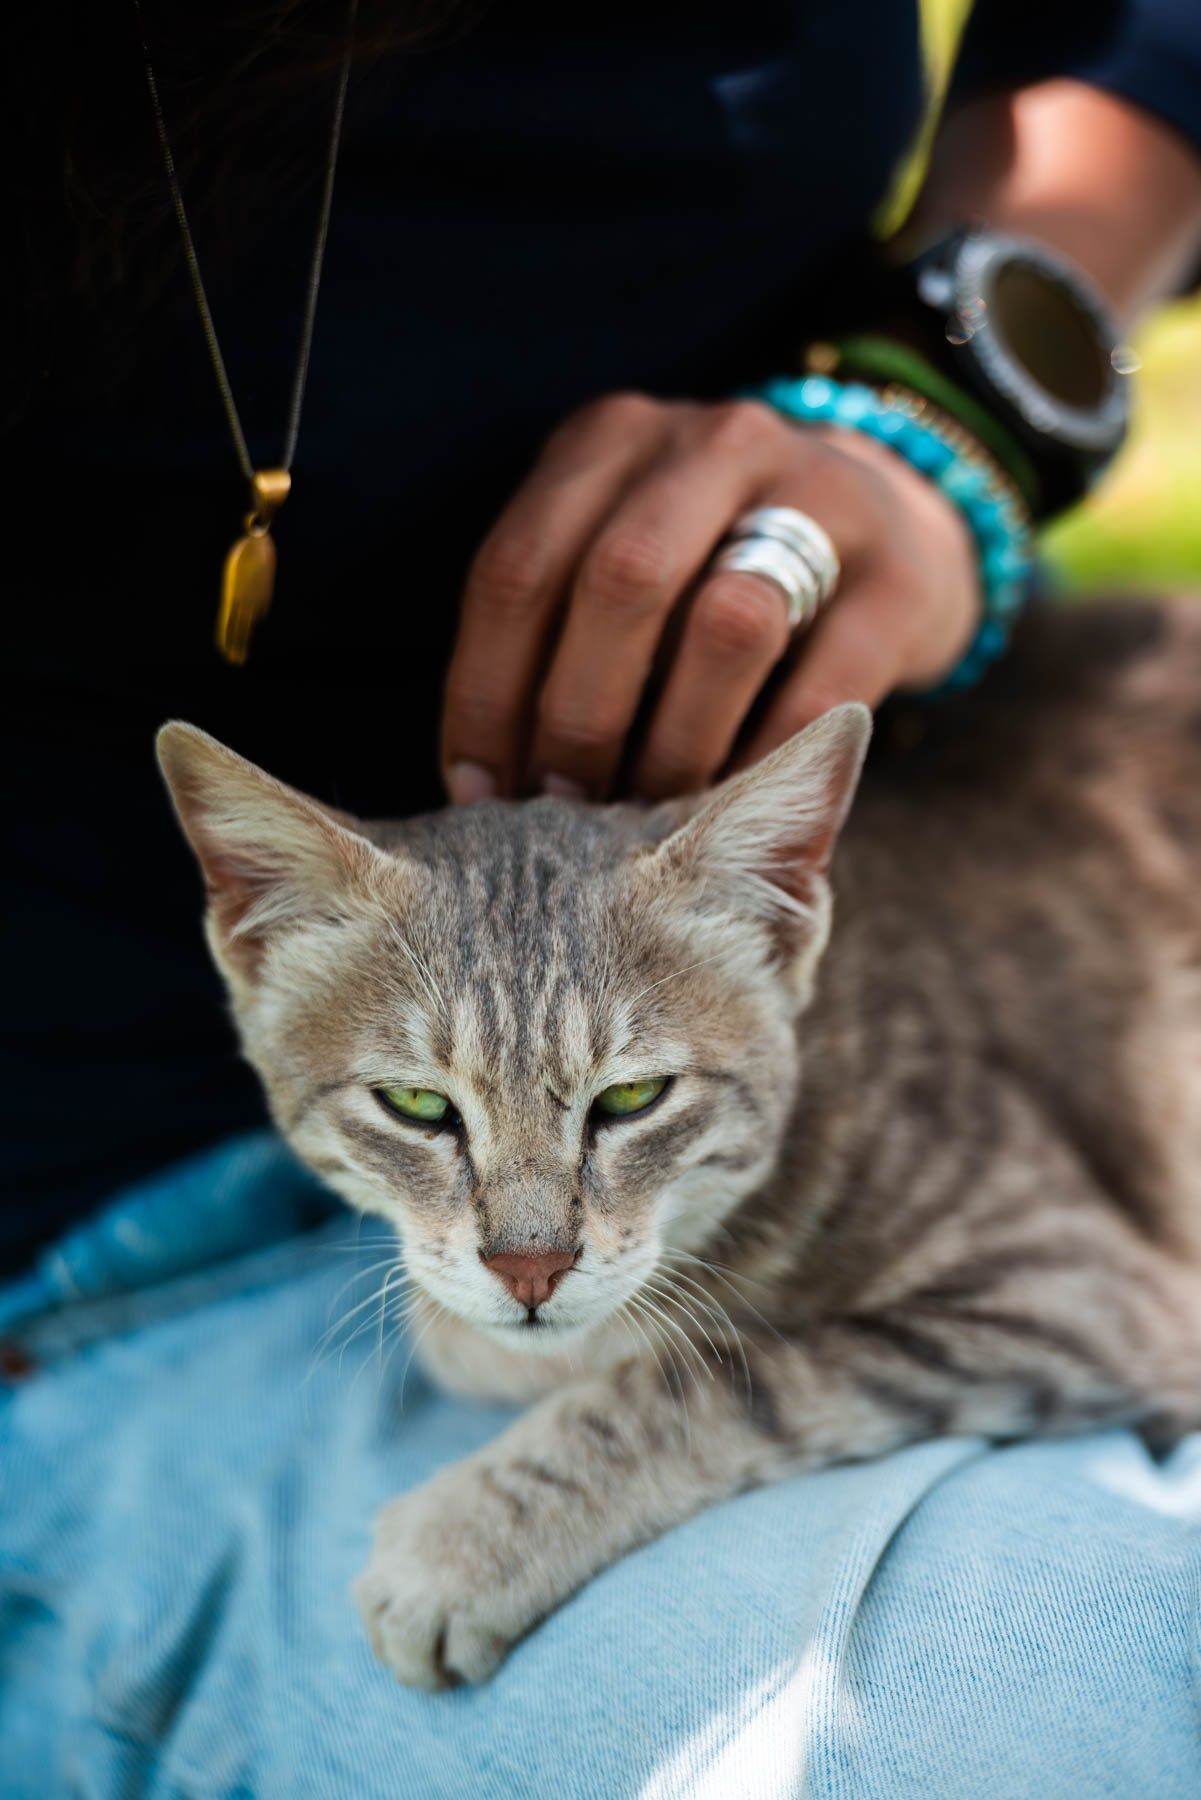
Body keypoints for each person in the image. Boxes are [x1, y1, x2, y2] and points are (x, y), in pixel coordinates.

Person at [3, 3, 1201, 1794]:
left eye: (628, 1112)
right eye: (427, 1119)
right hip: (106, 1252)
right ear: (248, 935)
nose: (531, 1240)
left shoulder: (819, 1068)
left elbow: (1117, 1326)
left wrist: (949, 400)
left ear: (784, 921)